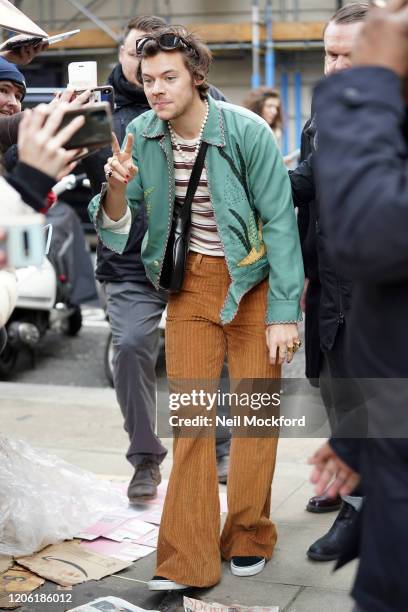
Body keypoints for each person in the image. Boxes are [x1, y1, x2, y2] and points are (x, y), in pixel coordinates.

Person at [89, 24, 303, 590]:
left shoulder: (247, 131)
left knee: (254, 421)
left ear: (196, 78)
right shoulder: (139, 133)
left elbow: (281, 224)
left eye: (169, 78)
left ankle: (250, 532)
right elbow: (115, 225)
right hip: (188, 291)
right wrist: (116, 186)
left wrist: (284, 312)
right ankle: (185, 557)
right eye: (148, 77)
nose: (156, 88)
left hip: (253, 283)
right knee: (192, 425)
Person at [83, 15, 230, 503]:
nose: (145, 71)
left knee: (216, 351)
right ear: (124, 57)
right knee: (130, 347)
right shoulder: (95, 110)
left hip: (197, 256)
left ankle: (222, 445)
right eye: (132, 54)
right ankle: (145, 458)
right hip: (128, 259)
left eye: (163, 71)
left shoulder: (211, 106)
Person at [309, 1, 408, 610]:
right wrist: (360, 438)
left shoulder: (364, 103)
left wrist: (368, 88)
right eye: (334, 54)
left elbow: (374, 234)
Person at [289, 2, 369, 562]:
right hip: (328, 287)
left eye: (349, 55)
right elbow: (304, 187)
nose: (336, 67)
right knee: (335, 392)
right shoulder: (323, 115)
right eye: (329, 54)